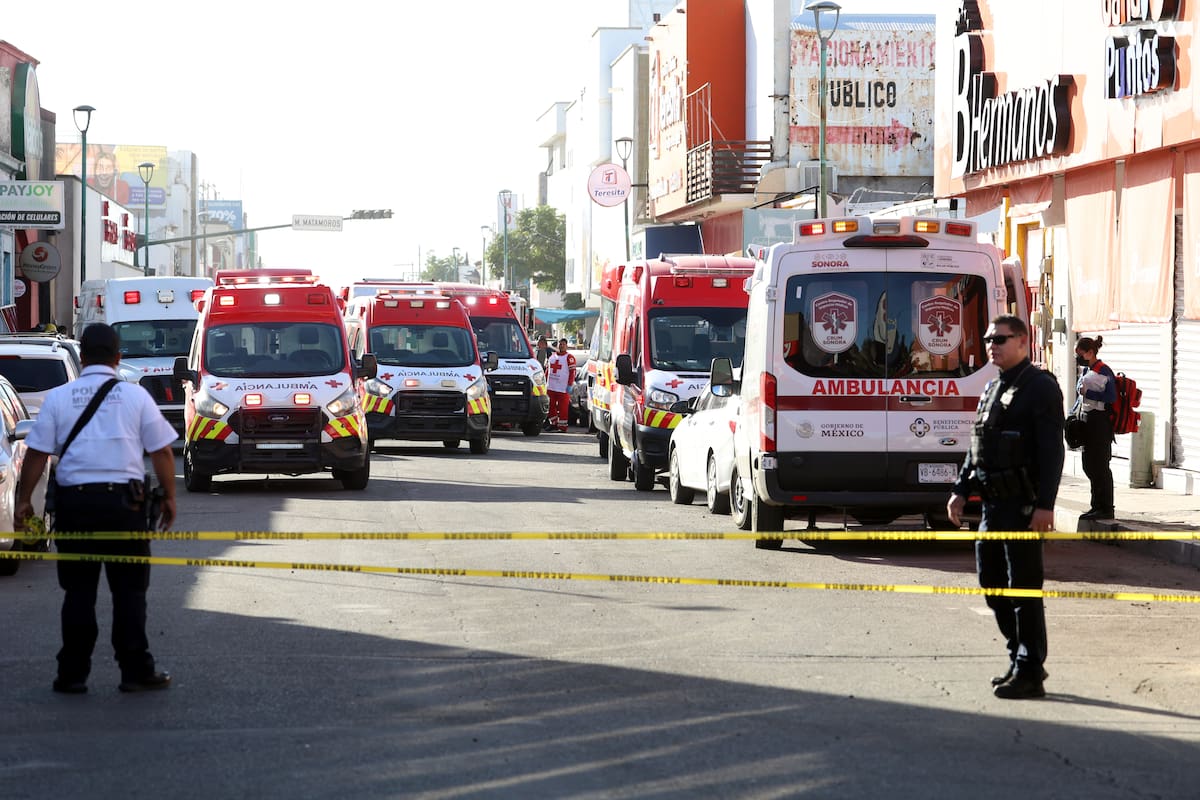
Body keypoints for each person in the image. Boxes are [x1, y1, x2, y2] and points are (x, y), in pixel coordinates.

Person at [14, 323, 178, 695]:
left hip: (75, 507)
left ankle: (72, 674)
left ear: (82, 357)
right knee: (130, 594)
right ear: (119, 358)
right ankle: (135, 671)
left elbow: (38, 453)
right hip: (125, 508)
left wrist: (24, 501)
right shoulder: (135, 398)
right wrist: (169, 496)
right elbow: (162, 451)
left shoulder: (58, 398)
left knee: (79, 594)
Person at [946, 314, 1064, 700]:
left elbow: (1051, 451)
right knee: (992, 586)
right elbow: (978, 445)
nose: (991, 345)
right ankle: (1019, 658)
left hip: (1023, 507)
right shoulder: (993, 387)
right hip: (993, 507)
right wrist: (961, 489)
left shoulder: (1040, 387)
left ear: (1023, 341)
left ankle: (1030, 670)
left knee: (1024, 590)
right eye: (988, 339)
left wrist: (1046, 506)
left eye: (1000, 339)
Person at [1074, 336, 1116, 520]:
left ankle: (1105, 507)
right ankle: (1095, 505)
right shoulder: (1087, 370)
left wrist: (1088, 392)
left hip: (1100, 423)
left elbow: (1111, 397)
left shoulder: (1104, 370)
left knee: (1100, 466)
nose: (1078, 358)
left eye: (1080, 354)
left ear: (1090, 353)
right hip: (1087, 420)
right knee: (1089, 465)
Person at [544, 338, 576, 433]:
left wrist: (570, 384)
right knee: (550, 406)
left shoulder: (569, 357)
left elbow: (572, 372)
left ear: (566, 346)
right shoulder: (552, 357)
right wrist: (545, 382)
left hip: (563, 388)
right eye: (560, 344)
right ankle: (553, 424)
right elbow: (547, 371)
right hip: (551, 387)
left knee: (563, 408)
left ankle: (562, 427)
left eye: (563, 344)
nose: (561, 346)